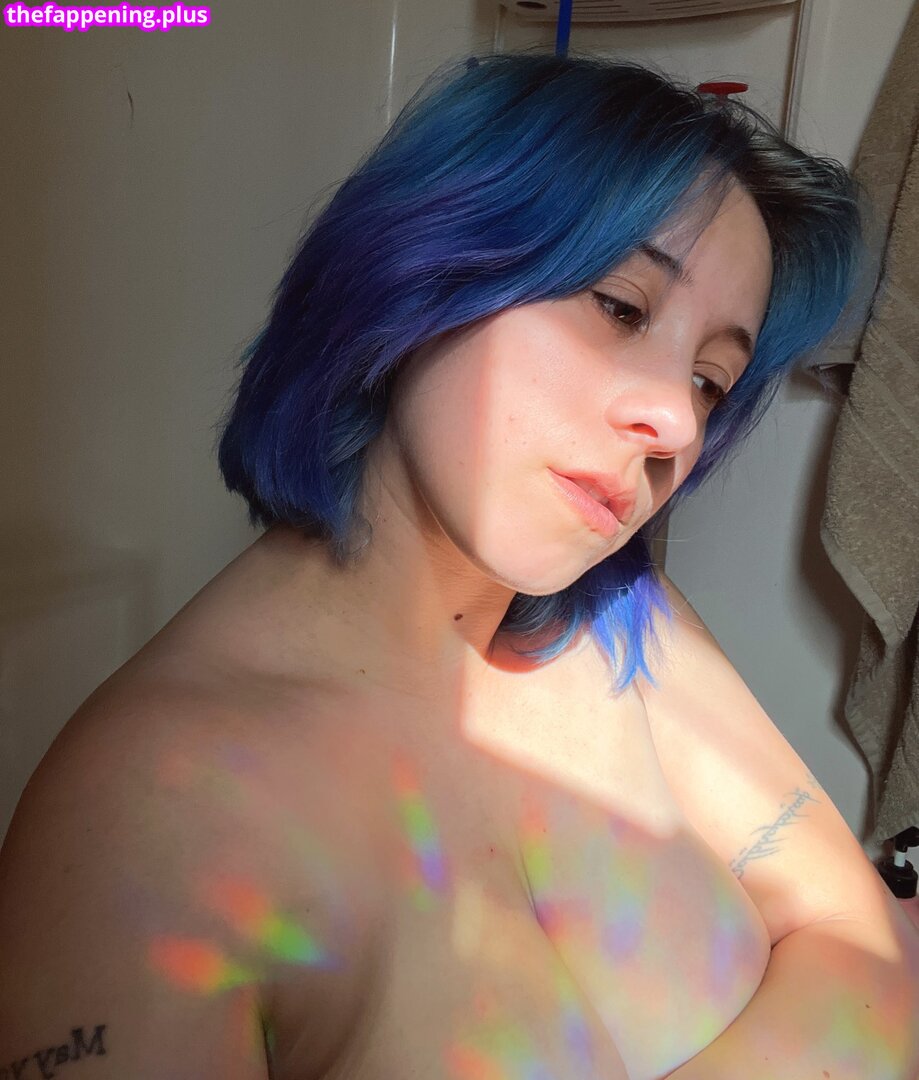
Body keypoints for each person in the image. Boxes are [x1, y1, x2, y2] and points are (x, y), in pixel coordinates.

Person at [2, 49, 915, 1080]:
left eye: (710, 380)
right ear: (420, 269)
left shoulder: (627, 622)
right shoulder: (149, 813)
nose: (674, 421)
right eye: (619, 307)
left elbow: (870, 952)